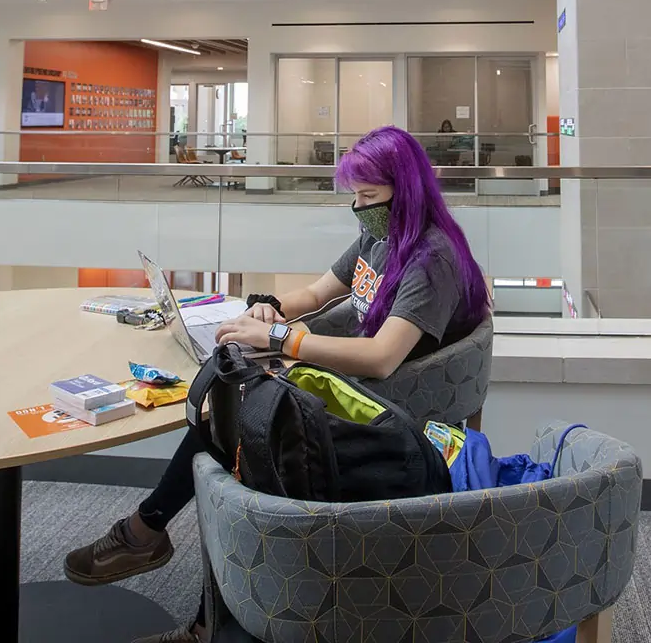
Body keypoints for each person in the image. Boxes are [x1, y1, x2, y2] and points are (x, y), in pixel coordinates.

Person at [63, 125, 491, 643]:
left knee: (238, 429)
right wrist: (272, 307)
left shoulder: (431, 259)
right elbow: (318, 291)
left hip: (383, 406)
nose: (360, 207)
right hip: (352, 384)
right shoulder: (380, 235)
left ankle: (161, 552)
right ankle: (158, 543)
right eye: (354, 197)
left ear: (407, 190)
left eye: (370, 197)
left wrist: (281, 340)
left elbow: (381, 358)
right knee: (229, 411)